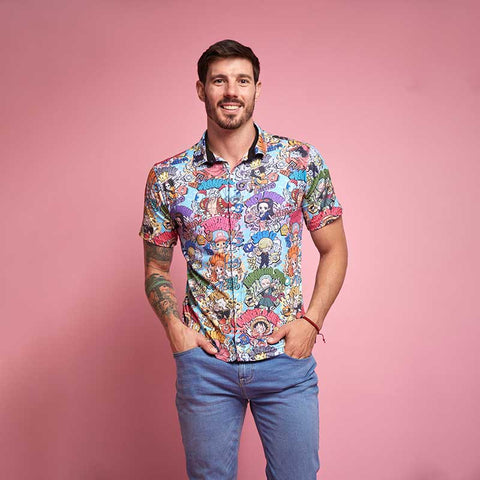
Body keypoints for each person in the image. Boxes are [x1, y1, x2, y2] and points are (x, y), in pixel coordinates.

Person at [139, 39, 348, 480]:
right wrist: (175, 330)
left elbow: (334, 249)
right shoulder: (168, 176)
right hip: (205, 368)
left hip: (285, 361)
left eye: (242, 80)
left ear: (257, 88)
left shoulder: (300, 162)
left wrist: (311, 323)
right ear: (201, 90)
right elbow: (155, 267)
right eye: (219, 81)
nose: (231, 91)